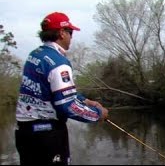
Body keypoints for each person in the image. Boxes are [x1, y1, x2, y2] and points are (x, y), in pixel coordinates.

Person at [15, 12, 109, 165]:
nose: (71, 37)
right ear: (62, 33)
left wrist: (85, 100)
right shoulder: (59, 63)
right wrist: (98, 114)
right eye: (70, 33)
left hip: (25, 133)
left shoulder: (35, 55)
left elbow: (52, 91)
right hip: (48, 136)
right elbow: (67, 106)